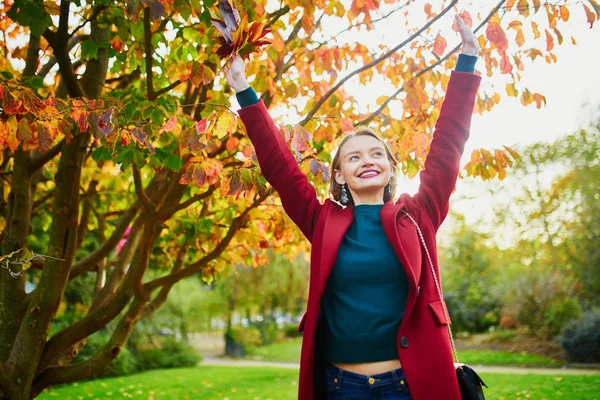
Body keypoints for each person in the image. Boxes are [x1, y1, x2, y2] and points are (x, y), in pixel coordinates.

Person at [225, 14, 481, 400]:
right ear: (340, 174)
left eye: (377, 153)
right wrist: (244, 90)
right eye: (354, 157)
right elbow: (280, 166)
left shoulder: (418, 214)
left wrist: (466, 61)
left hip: (408, 386)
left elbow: (448, 147)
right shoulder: (322, 219)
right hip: (341, 387)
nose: (367, 160)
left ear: (391, 168)